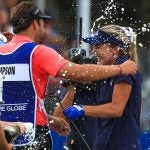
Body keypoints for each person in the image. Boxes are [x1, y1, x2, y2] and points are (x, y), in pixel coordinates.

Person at [0, 1, 137, 149]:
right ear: (35, 23)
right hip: (31, 138)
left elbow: (15, 105)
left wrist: (49, 119)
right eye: (43, 24)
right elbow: (78, 72)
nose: (44, 29)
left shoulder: (2, 51)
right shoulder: (38, 52)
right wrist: (119, 69)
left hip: (5, 136)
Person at [63, 25, 142, 150]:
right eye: (93, 47)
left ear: (115, 49)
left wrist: (81, 109)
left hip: (123, 146)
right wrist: (74, 66)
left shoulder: (125, 68)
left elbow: (116, 109)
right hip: (103, 144)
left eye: (98, 46)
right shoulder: (106, 70)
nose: (93, 51)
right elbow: (82, 75)